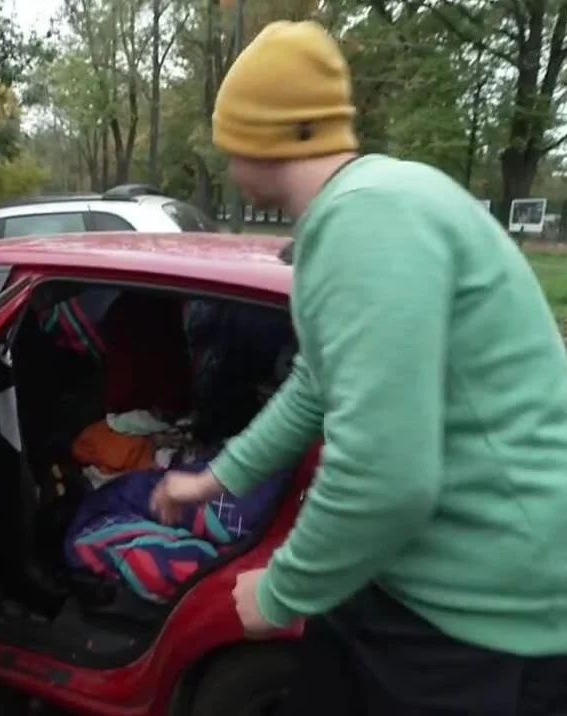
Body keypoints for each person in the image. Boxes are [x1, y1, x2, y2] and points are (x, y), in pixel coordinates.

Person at [150, 19, 567, 716]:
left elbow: (386, 476)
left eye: (227, 143)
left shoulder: (366, 223)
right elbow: (315, 384)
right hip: (427, 576)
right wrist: (217, 477)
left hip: (476, 609)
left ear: (261, 137)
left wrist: (281, 589)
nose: (224, 163)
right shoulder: (374, 204)